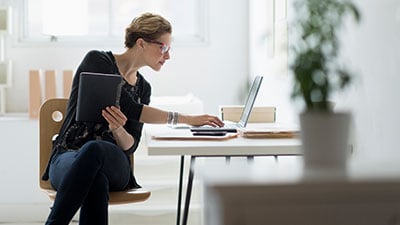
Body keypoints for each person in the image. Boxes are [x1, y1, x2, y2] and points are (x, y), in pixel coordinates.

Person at [43, 12, 224, 225]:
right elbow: (130, 107)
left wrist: (118, 129)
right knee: (96, 180)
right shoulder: (97, 61)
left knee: (95, 149)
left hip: (115, 164)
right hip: (68, 157)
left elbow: (130, 145)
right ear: (141, 43)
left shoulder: (144, 88)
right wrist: (188, 118)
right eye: (163, 48)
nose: (167, 56)